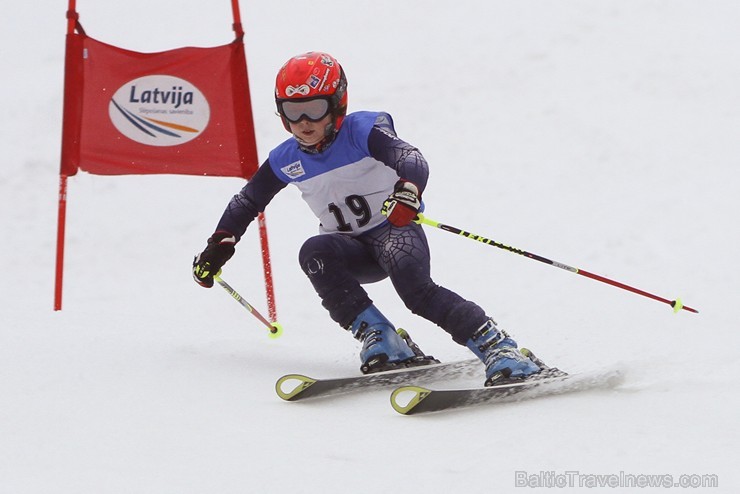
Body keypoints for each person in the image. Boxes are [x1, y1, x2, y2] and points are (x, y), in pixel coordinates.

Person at [193, 51, 548, 385]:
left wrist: (408, 191)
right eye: (292, 110)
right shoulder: (285, 157)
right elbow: (247, 201)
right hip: (350, 249)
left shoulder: (362, 130)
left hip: (394, 230)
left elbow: (410, 157)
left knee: (416, 292)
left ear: (337, 105)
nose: (303, 122)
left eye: (315, 109)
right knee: (314, 252)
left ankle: (499, 347)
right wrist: (218, 247)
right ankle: (383, 337)